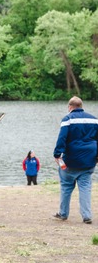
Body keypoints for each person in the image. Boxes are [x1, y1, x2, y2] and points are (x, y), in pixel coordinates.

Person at [53, 96, 98, 224]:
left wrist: (57, 154)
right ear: (81, 106)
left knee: (66, 186)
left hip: (71, 160)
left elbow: (62, 138)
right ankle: (87, 216)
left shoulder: (67, 119)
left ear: (70, 107)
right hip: (89, 160)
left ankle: (63, 213)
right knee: (85, 188)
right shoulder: (94, 120)